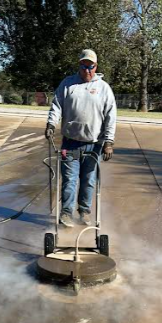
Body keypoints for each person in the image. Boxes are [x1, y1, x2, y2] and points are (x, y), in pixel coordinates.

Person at [45, 49, 117, 227]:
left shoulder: (104, 88)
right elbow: (57, 106)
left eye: (90, 67)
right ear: (80, 65)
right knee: (69, 180)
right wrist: (51, 124)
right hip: (70, 143)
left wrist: (109, 141)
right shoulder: (68, 84)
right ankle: (66, 213)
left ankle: (84, 212)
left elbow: (111, 116)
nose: (87, 70)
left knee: (89, 180)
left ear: (95, 67)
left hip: (94, 145)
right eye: (84, 66)